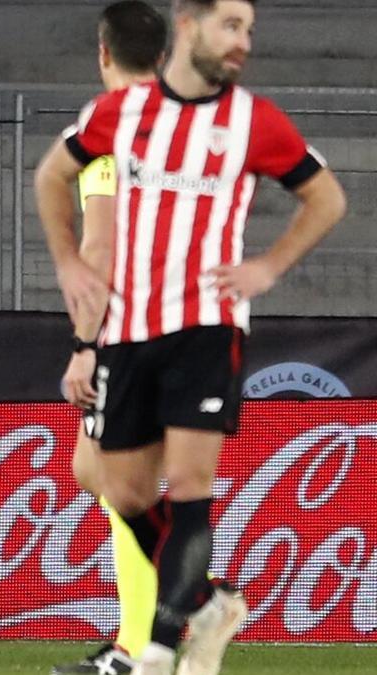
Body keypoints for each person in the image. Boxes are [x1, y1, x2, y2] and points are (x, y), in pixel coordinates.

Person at [36, 1, 347, 674]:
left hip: (207, 325)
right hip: (130, 329)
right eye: (230, 25)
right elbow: (50, 176)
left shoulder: (253, 121)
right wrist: (66, 268)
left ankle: (153, 647)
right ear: (187, 25)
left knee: (188, 486)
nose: (242, 42)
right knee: (119, 488)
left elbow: (327, 198)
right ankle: (207, 605)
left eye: (249, 31)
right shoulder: (121, 114)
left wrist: (267, 265)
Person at [51, 3, 166, 674]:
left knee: (113, 479)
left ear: (103, 53)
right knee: (112, 477)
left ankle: (142, 643)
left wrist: (86, 342)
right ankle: (157, 628)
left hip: (131, 328)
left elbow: (100, 239)